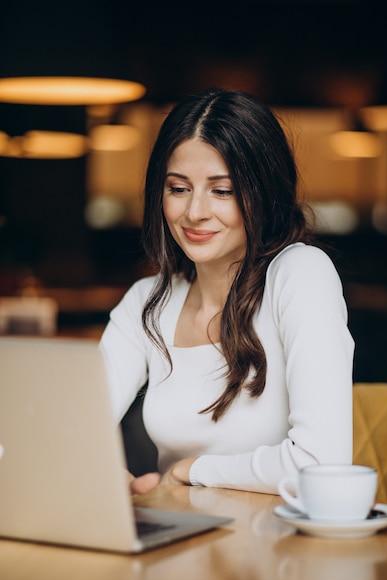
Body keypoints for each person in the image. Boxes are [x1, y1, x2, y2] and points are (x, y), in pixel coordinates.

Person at [99, 88, 354, 495]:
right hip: (177, 542)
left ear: (264, 193)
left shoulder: (301, 274)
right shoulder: (147, 301)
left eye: (223, 190)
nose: (195, 212)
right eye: (178, 188)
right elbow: (70, 428)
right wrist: (99, 478)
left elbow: (321, 465)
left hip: (280, 550)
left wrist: (191, 470)